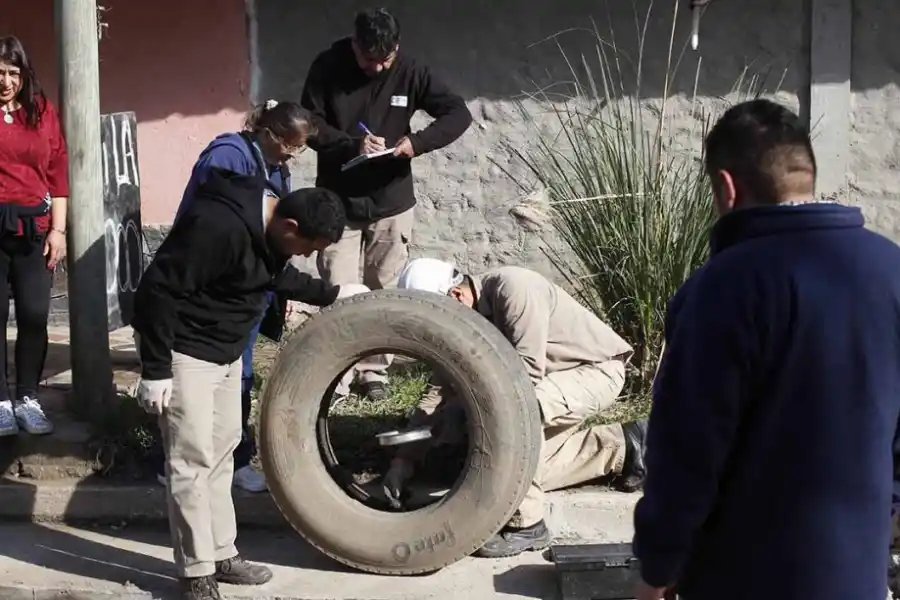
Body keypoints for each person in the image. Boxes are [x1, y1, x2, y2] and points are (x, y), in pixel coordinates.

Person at [632, 99, 900, 600]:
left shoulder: (720, 290)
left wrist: (657, 570)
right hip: (857, 578)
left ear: (728, 188)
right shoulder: (892, 272)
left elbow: (686, 454)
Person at [132, 145, 348, 599]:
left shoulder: (270, 232)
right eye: (308, 247)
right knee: (189, 462)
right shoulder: (218, 228)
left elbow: (272, 275)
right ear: (289, 226)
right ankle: (195, 572)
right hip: (186, 354)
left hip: (227, 353)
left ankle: (221, 552)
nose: (306, 256)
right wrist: (155, 370)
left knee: (223, 451)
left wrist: (332, 294)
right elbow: (156, 291)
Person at [389, 258, 647, 558]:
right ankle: (624, 446)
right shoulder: (465, 318)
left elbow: (525, 375)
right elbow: (437, 393)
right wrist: (403, 461)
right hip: (547, 381)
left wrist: (463, 413)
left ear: (455, 296)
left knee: (513, 417)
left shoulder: (514, 287)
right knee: (510, 470)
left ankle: (528, 525)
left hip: (594, 371)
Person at [300, 8, 473, 402]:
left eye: (386, 59)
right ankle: (336, 377)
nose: (378, 66)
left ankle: (374, 371)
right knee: (341, 290)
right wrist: (350, 144)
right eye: (369, 59)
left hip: (391, 202)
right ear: (355, 44)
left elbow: (457, 113)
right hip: (337, 201)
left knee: (383, 291)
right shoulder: (327, 66)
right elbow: (309, 124)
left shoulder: (411, 71)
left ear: (396, 49)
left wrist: (417, 143)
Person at [148, 99, 308, 494]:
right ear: (269, 134)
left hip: (247, 293)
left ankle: (229, 459)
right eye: (292, 144)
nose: (294, 154)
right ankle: (181, 462)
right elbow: (211, 224)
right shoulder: (227, 157)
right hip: (214, 293)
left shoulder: (275, 167)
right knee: (205, 389)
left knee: (240, 379)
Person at [0, 35, 67, 437]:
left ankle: (27, 397)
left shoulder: (41, 112)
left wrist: (58, 230)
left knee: (34, 315)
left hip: (34, 230)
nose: (5, 81)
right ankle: (0, 403)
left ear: (24, 75)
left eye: (12, 73)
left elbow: (58, 172)